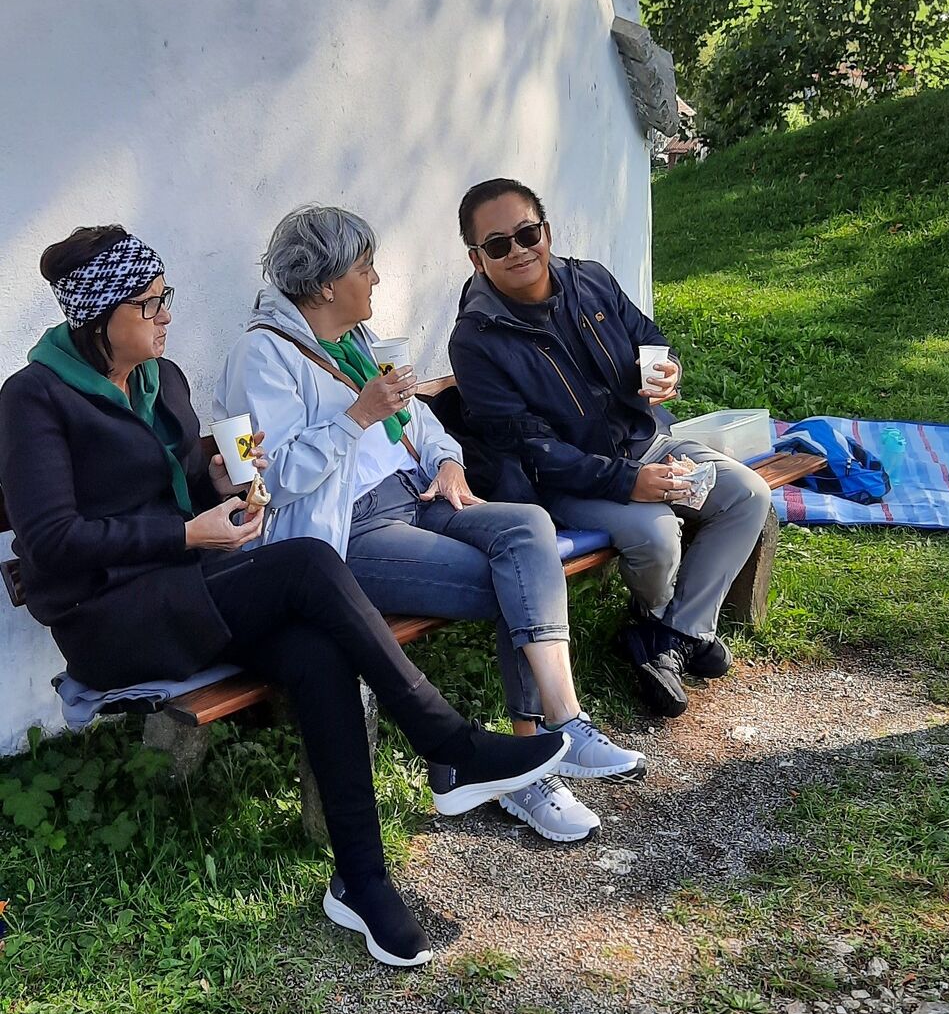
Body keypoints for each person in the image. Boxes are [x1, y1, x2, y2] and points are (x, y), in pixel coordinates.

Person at [0, 226, 572, 969]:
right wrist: (186, 534)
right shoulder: (33, 398)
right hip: (111, 620)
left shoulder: (161, 379)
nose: (167, 314)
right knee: (306, 563)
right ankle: (449, 744)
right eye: (150, 304)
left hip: (186, 589)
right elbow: (52, 540)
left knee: (315, 648)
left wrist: (221, 480)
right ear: (100, 315)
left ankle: (362, 880)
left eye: (166, 296)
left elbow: (177, 481)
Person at [215, 204, 645, 846]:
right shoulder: (262, 356)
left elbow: (420, 421)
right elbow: (270, 479)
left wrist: (447, 462)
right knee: (513, 581)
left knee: (528, 529)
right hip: (347, 531)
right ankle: (524, 768)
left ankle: (560, 725)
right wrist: (356, 417)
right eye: (365, 268)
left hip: (416, 497)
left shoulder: (355, 341)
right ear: (327, 284)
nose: (377, 279)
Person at [447, 179, 773, 717]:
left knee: (748, 495)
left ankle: (672, 633)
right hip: (562, 481)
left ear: (546, 232)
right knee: (656, 534)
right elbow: (530, 449)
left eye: (527, 234)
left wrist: (667, 368)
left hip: (645, 444)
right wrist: (629, 483)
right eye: (499, 244)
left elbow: (649, 337)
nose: (519, 251)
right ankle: (667, 628)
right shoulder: (476, 339)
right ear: (477, 259)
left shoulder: (590, 281)